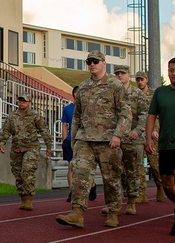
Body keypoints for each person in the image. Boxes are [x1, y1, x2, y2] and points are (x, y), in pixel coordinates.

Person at [57, 50, 132, 229]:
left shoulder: (115, 85)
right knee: (80, 175)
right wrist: (73, 139)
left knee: (111, 178)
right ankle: (77, 212)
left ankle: (113, 212)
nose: (92, 64)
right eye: (89, 61)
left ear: (104, 63)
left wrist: (118, 135)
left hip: (108, 141)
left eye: (95, 61)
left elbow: (125, 113)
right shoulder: (82, 87)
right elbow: (77, 116)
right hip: (85, 140)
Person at [145, 57, 175, 236]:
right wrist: (148, 138)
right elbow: (151, 115)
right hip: (165, 144)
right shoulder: (160, 92)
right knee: (167, 185)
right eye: (171, 70)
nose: (174, 73)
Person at [0, 94, 52, 210]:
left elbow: (43, 130)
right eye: (20, 101)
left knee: (27, 172)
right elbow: (6, 130)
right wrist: (2, 142)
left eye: (24, 101)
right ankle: (23, 197)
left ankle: (29, 198)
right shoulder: (13, 116)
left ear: (29, 103)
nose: (21, 103)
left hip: (31, 148)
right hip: (16, 148)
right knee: (18, 175)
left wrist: (48, 145)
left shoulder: (34, 115)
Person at [113, 64, 149, 215]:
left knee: (132, 171)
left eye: (123, 73)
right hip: (117, 139)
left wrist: (138, 130)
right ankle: (116, 201)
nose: (120, 76)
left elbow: (144, 114)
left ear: (129, 75)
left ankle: (132, 201)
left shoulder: (137, 93)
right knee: (116, 171)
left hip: (134, 139)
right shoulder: (112, 92)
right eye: (117, 73)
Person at [62, 87, 97, 203]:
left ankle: (92, 185)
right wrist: (64, 140)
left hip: (85, 140)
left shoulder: (88, 108)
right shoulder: (67, 109)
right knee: (71, 166)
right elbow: (64, 125)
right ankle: (71, 192)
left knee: (86, 167)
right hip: (70, 141)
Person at [136, 71, 165, 203]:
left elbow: (158, 114)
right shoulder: (134, 94)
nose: (139, 82)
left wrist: (156, 129)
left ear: (147, 79)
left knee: (155, 164)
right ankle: (141, 193)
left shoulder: (154, 95)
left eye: (141, 79)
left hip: (152, 134)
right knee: (139, 166)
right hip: (138, 133)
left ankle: (160, 186)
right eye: (137, 80)